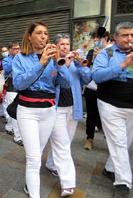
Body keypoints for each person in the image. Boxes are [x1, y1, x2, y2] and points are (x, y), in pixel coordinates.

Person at [12, 22, 71, 198]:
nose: (44, 36)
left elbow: (66, 83)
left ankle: (29, 185)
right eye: (39, 33)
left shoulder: (54, 58)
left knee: (37, 154)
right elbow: (19, 84)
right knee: (33, 159)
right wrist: (41, 63)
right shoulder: (20, 58)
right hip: (27, 111)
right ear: (29, 36)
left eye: (46, 33)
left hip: (48, 112)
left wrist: (58, 63)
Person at [45, 33, 92, 196]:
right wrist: (66, 63)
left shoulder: (76, 63)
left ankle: (51, 164)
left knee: (65, 142)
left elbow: (87, 79)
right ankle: (68, 183)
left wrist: (81, 64)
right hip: (57, 109)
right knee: (63, 144)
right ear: (56, 46)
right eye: (62, 44)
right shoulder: (52, 61)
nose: (65, 47)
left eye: (67, 44)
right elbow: (52, 80)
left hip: (74, 108)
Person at [92, 21, 133, 198]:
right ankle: (123, 181)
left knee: (125, 142)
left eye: (132, 35)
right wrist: (122, 65)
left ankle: (110, 168)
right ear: (115, 37)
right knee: (119, 143)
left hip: (131, 106)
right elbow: (97, 76)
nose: (129, 39)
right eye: (125, 35)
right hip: (111, 104)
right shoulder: (106, 53)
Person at [83, 31, 110, 150]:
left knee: (107, 116)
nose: (95, 40)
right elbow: (86, 67)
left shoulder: (110, 52)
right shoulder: (91, 52)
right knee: (91, 115)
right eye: (94, 38)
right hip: (91, 88)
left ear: (105, 39)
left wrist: (101, 57)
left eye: (98, 38)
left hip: (106, 89)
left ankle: (110, 140)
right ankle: (89, 138)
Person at [3, 41, 23, 146]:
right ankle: (18, 136)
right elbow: (7, 69)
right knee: (15, 111)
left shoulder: (21, 58)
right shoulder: (6, 60)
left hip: (19, 88)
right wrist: (16, 58)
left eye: (18, 48)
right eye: (15, 49)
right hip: (10, 88)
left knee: (13, 110)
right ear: (10, 50)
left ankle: (9, 127)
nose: (17, 50)